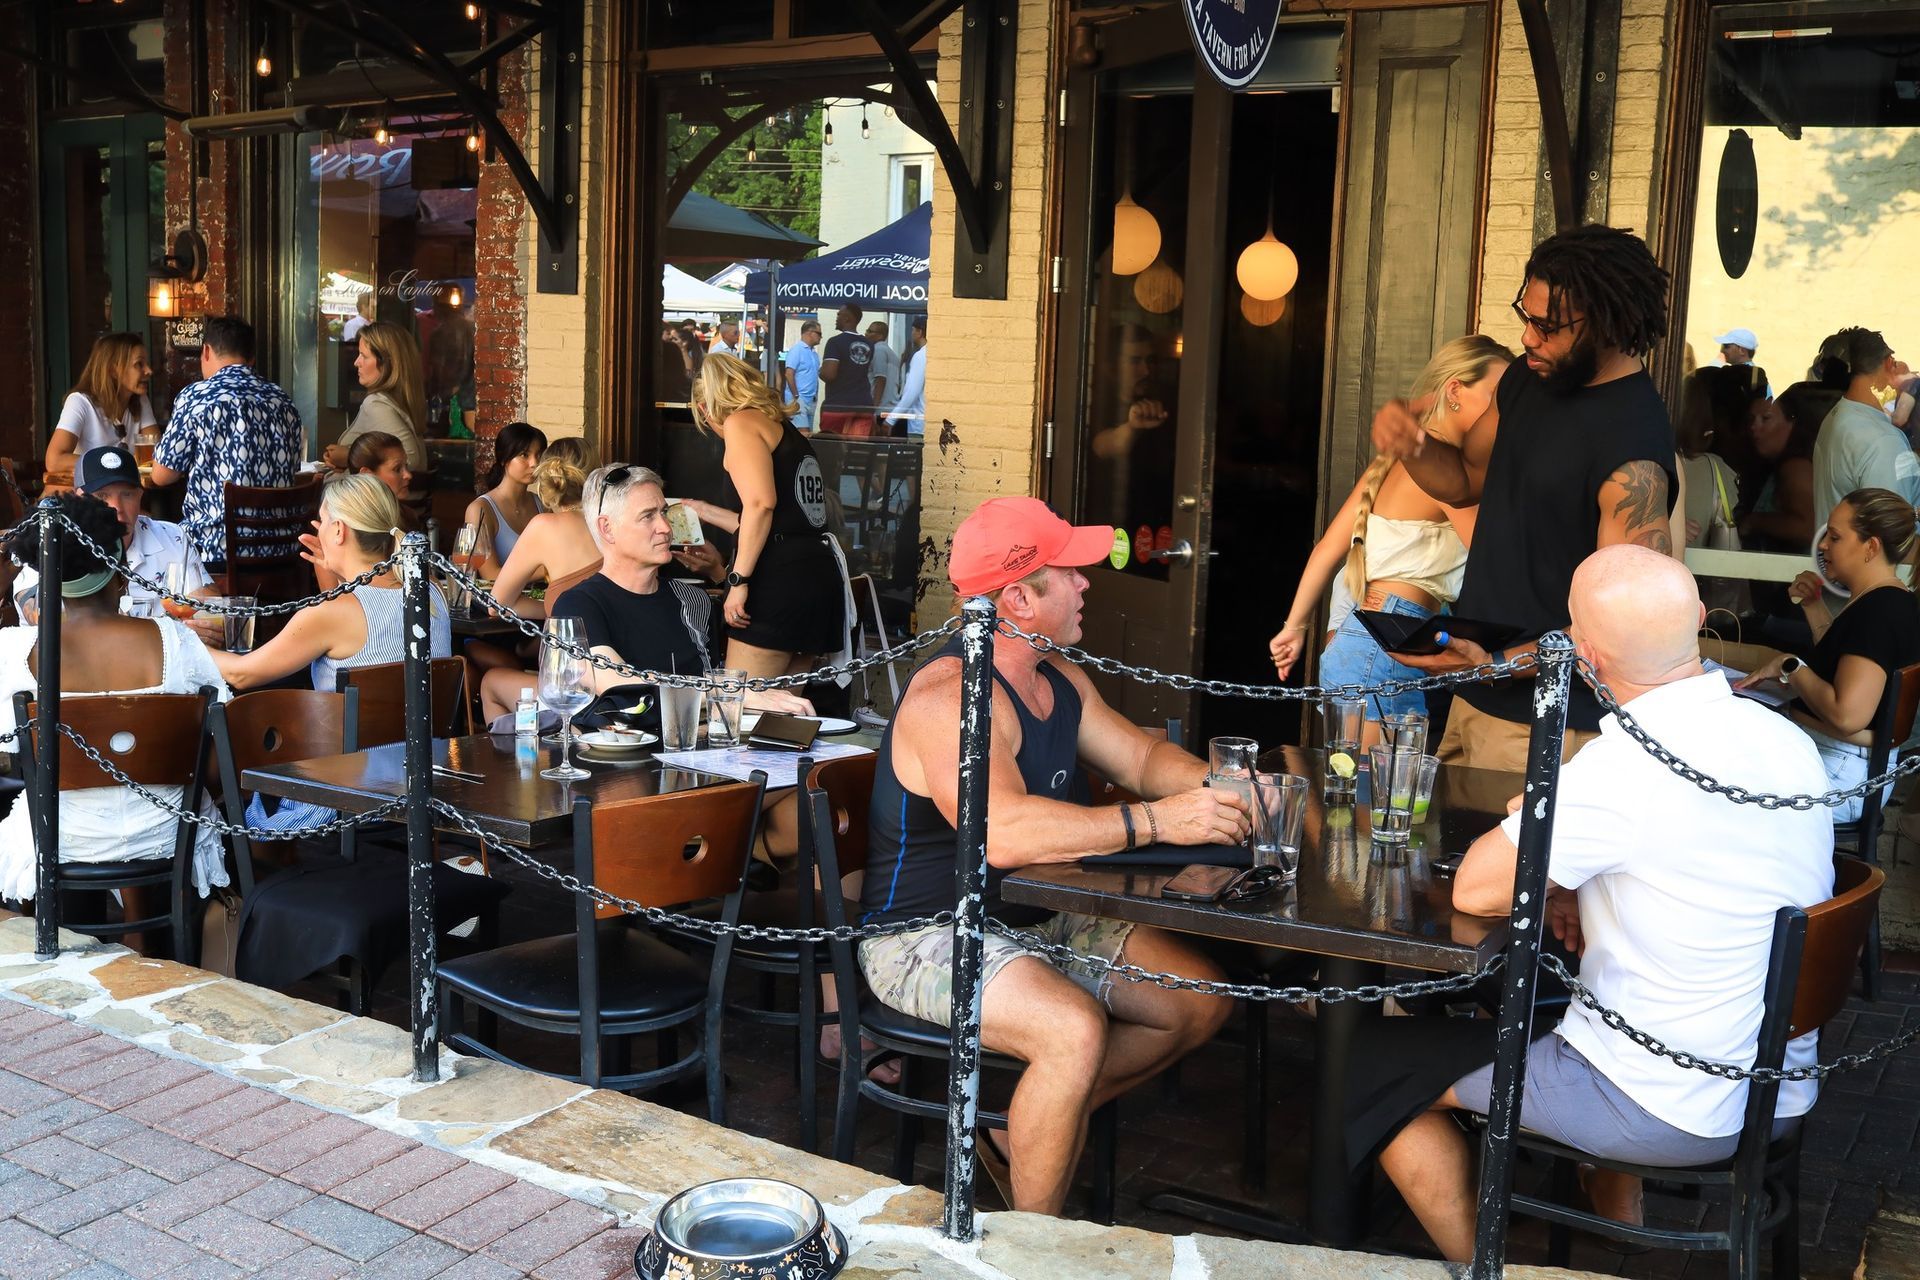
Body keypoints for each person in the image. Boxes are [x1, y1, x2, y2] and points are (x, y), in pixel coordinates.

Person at [1362, 545, 1833, 1262]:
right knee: (1561, 1001)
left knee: (1371, 1066)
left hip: (1661, 1101)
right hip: (1777, 1091)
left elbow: (1478, 890)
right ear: (1700, 622)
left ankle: (1489, 1269)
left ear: (1584, 657)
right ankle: (1614, 1210)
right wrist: (1576, 873)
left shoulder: (1624, 765)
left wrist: (1539, 812)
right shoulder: (1787, 740)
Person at [859, 497, 1240, 1215]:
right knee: (1071, 1030)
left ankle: (1016, 1132)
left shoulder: (1057, 677)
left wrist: (1228, 792)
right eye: (1071, 572)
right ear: (1019, 599)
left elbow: (1141, 755)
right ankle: (1033, 1250)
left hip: (1037, 916)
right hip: (923, 934)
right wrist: (1160, 822)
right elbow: (998, 831)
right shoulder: (952, 696)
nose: (1089, 583)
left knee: (1199, 999)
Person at [1369, 224, 1678, 773]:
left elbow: (1619, 628)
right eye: (1526, 317)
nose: (1530, 338)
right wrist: (1413, 447)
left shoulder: (1632, 454)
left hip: (1554, 723)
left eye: (1549, 326)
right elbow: (1466, 481)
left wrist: (1495, 662)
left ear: (1607, 324)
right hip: (1474, 695)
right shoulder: (1526, 381)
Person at [1269, 337, 1512, 737]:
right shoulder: (1448, 480)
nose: (1504, 412)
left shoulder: (1392, 463)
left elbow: (1327, 550)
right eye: (1496, 397)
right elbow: (1495, 561)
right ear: (1455, 390)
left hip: (1361, 640)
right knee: (1379, 796)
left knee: (1361, 792)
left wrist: (1294, 628)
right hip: (1389, 646)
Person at [0, 493, 232, 906]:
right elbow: (222, 741)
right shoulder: (175, 641)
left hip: (60, 836)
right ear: (120, 571)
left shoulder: (14, 652)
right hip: (166, 833)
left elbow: (11, 747)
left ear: (46, 577)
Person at [547, 464, 810, 720]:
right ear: (607, 528)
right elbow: (616, 682)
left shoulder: (693, 599)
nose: (665, 527)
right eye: (647, 516)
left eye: (664, 513)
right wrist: (736, 693)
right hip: (613, 756)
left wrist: (764, 705)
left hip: (692, 748)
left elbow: (707, 690)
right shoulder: (577, 604)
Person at [1739, 489, 1920, 824]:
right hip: (1843, 762)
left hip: (1839, 774)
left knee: (1713, 786)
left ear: (1871, 547)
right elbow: (1845, 662)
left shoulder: (1879, 613)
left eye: (1834, 537)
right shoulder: (1887, 599)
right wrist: (1812, 604)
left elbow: (1847, 714)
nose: (1822, 545)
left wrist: (1791, 666)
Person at [682, 353, 848, 681]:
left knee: (744, 711)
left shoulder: (739, 423)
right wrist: (703, 510)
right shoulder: (784, 430)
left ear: (705, 408)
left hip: (778, 580)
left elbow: (761, 505)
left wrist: (737, 581)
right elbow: (777, 520)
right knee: (784, 717)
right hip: (815, 573)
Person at [205, 475, 451, 693]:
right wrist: (338, 571)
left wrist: (180, 637)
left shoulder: (330, 614)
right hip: (433, 746)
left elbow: (240, 674)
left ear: (338, 530)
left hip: (353, 748)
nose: (318, 529)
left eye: (322, 521)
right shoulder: (432, 589)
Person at [150, 316, 305, 569]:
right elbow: (293, 469)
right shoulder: (282, 400)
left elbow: (161, 476)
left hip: (214, 552)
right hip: (282, 552)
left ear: (206, 351)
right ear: (251, 358)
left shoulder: (197, 397)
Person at [475, 438, 605, 722]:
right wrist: (554, 608)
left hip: (574, 689)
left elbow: (496, 604)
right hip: (615, 679)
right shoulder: (610, 524)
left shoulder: (544, 527)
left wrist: (551, 611)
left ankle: (519, 763)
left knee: (491, 682)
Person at [12, 446, 215, 628]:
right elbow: (35, 609)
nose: (116, 508)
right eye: (102, 496)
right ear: (78, 498)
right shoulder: (55, 539)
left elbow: (211, 600)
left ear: (140, 496)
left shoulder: (172, 537)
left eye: (127, 494)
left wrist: (200, 623)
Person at [1810, 328, 1920, 551]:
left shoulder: (1836, 418)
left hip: (1842, 572)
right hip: (1880, 580)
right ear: (1889, 363)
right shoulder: (1882, 440)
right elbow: (1892, 539)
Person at [45, 333, 156, 479]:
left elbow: (156, 454)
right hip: (82, 496)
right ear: (113, 370)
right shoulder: (80, 402)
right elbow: (54, 460)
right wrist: (113, 463)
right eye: (139, 364)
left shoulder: (140, 400)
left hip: (119, 494)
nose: (149, 371)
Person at [328, 321, 429, 472]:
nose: (356, 362)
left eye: (364, 356)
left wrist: (350, 457)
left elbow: (410, 460)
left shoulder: (376, 405)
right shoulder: (396, 401)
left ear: (386, 363)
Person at [463, 421, 547, 579]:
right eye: (524, 455)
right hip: (498, 601)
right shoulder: (480, 509)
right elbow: (491, 575)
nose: (535, 463)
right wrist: (549, 571)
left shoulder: (541, 504)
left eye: (539, 455)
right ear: (503, 459)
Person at [817, 302, 876, 436]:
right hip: (864, 405)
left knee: (833, 451)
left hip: (838, 406)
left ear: (848, 318)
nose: (836, 317)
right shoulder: (869, 344)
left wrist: (820, 371)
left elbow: (829, 374)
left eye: (839, 314)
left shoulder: (835, 342)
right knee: (857, 452)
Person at [886, 316, 927, 437]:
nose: (912, 333)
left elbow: (911, 393)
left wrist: (890, 419)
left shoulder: (921, 356)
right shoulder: (931, 354)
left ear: (919, 332)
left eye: (913, 330)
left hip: (918, 427)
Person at [347, 431, 413, 504]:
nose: (408, 475)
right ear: (367, 476)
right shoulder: (350, 515)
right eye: (397, 469)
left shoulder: (406, 513)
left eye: (406, 466)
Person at [783, 321, 823, 430]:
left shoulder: (813, 353)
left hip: (811, 399)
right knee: (802, 432)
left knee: (807, 432)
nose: (821, 337)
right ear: (810, 332)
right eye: (819, 333)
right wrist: (796, 396)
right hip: (798, 399)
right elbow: (789, 373)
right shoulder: (797, 350)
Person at [865, 320, 899, 417]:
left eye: (869, 331)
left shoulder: (878, 350)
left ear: (880, 335)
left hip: (880, 410)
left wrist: (874, 409)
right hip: (891, 408)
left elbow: (880, 379)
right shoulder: (892, 353)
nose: (866, 333)